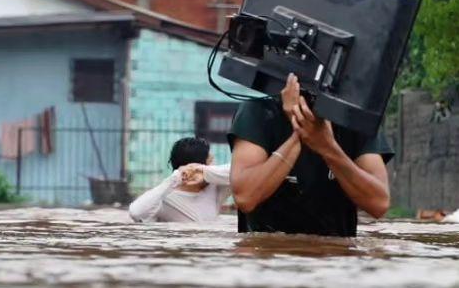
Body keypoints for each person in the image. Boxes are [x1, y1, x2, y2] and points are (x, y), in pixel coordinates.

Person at [228, 73, 393, 237]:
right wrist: (298, 133)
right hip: (267, 257)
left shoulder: (355, 121)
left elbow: (379, 203)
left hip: (335, 257)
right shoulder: (258, 113)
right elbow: (245, 197)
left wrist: (327, 147)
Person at [128, 137, 233, 224]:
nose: (214, 167)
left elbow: (245, 172)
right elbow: (136, 213)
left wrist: (203, 170)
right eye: (211, 162)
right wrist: (176, 177)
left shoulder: (215, 187)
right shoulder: (165, 197)